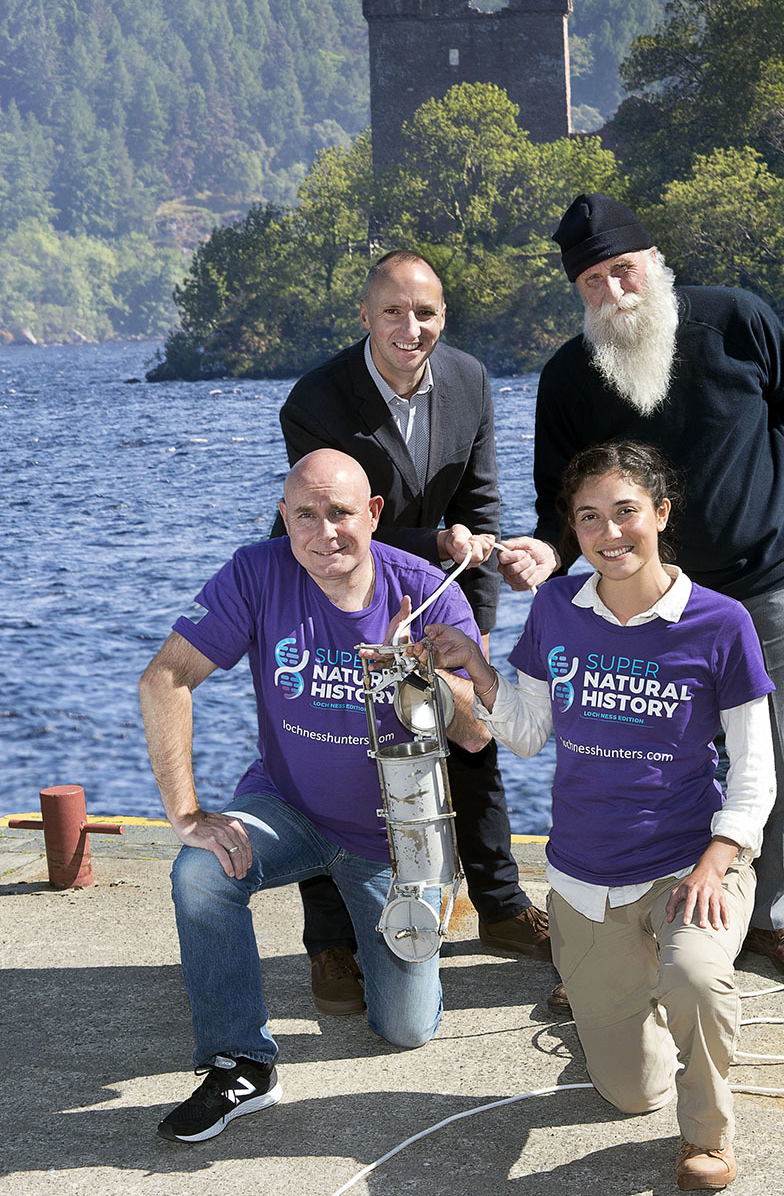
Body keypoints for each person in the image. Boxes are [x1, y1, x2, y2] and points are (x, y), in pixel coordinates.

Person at [419, 441, 776, 1191]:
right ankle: (626, 997)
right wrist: (474, 668)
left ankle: (707, 1132)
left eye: (626, 512)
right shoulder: (555, 606)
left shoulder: (720, 622)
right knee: (630, 1093)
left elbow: (756, 775)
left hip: (688, 867)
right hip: (583, 882)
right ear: (572, 531)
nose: (610, 533)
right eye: (589, 518)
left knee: (699, 977)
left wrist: (718, 860)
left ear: (661, 514)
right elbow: (523, 731)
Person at [497, 193, 784, 981]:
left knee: (779, 758)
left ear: (654, 265)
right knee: (652, 762)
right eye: (592, 283)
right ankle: (653, 926)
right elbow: (559, 497)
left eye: (623, 272)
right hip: (646, 603)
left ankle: (772, 919)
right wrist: (550, 555)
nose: (614, 294)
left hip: (765, 579)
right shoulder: (569, 376)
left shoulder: (738, 321)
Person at [138, 450, 488, 1143]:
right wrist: (187, 814)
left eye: (341, 513)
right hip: (287, 806)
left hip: (393, 833)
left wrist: (425, 681)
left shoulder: (427, 590)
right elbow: (164, 679)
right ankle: (241, 1060)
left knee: (406, 1029)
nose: (324, 531)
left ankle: (424, 909)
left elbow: (477, 734)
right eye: (305, 514)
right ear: (284, 518)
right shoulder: (258, 571)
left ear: (374, 514)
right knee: (201, 871)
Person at [274, 250, 551, 1015]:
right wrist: (437, 543)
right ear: (365, 316)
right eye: (392, 311)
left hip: (449, 587)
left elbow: (485, 508)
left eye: (425, 312)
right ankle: (330, 941)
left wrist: (479, 627)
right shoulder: (315, 399)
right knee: (337, 755)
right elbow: (339, 522)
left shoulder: (471, 380)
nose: (410, 327)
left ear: (443, 318)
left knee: (472, 733)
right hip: (335, 588)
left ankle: (498, 904)